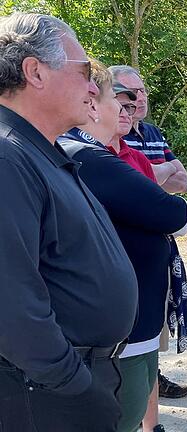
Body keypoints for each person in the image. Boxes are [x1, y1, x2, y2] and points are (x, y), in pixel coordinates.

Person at [0, 13, 138, 431]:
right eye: (83, 72)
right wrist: (73, 383)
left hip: (67, 382)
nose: (94, 86)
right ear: (35, 71)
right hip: (48, 394)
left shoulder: (38, 151)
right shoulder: (8, 157)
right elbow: (10, 299)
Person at [58, 60, 187, 432]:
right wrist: (161, 193)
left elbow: (166, 193)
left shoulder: (107, 153)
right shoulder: (88, 156)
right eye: (119, 102)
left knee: (138, 394)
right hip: (120, 326)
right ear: (93, 106)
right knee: (122, 414)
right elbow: (174, 213)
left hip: (138, 314)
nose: (126, 110)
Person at [109, 65, 187, 195]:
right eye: (133, 92)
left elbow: (183, 183)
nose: (142, 98)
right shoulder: (111, 135)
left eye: (143, 90)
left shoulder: (153, 132)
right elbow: (130, 182)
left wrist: (150, 174)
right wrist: (169, 167)